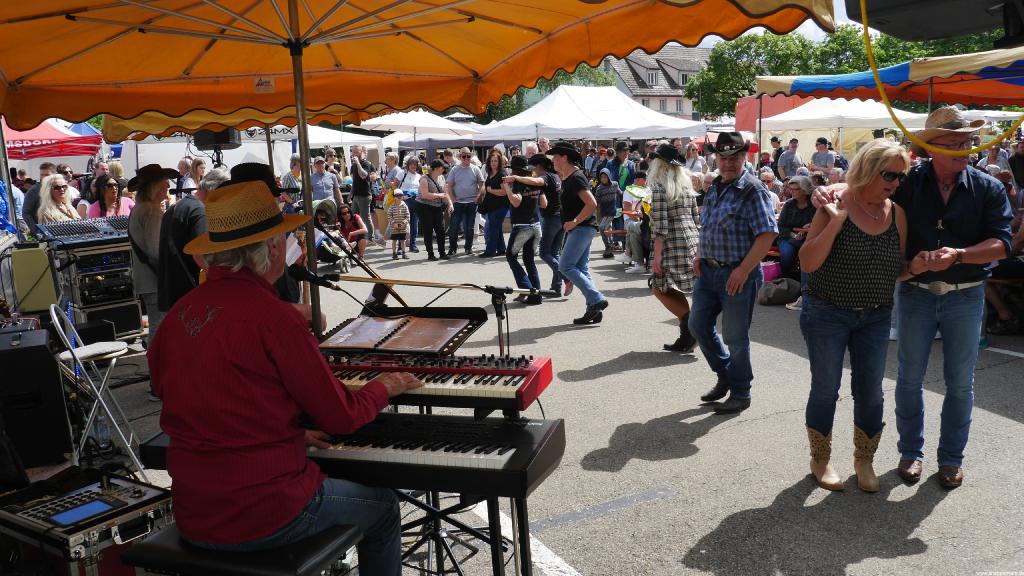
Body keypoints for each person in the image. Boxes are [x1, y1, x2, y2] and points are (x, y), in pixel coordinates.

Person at [148, 179, 420, 574]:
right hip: (266, 513)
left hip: (193, 510)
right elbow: (340, 416)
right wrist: (384, 386)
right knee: (383, 510)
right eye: (285, 238)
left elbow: (184, 394)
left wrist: (284, 430)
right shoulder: (275, 318)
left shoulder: (178, 316)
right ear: (271, 248)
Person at [814, 107, 1013, 489]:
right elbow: (866, 187)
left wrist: (960, 255)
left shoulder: (987, 187)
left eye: (968, 142)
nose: (965, 149)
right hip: (916, 292)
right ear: (930, 147)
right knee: (908, 379)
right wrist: (832, 188)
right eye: (954, 143)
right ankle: (911, 453)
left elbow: (1003, 244)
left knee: (960, 383)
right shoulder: (908, 181)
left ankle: (951, 459)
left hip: (966, 294)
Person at [797, 139, 911, 492]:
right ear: (867, 169)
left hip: (875, 316)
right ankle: (821, 459)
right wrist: (835, 223)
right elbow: (807, 262)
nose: (894, 182)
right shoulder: (835, 201)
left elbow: (895, 268)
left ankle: (864, 460)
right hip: (827, 311)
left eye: (900, 175)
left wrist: (916, 267)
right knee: (825, 389)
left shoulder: (898, 214)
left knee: (871, 392)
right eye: (888, 174)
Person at [689, 132, 778, 414]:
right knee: (697, 325)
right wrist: (700, 252)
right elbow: (709, 224)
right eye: (724, 157)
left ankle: (741, 391)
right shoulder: (715, 185)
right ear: (716, 158)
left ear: (744, 157)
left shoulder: (753, 189)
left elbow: (766, 235)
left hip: (739, 273)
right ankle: (726, 373)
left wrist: (742, 270)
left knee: (734, 336)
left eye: (735, 157)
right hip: (710, 270)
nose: (728, 163)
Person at [647, 144, 700, 353]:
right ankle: (688, 333)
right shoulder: (686, 186)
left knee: (659, 287)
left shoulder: (660, 187)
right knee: (669, 287)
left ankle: (690, 329)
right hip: (691, 240)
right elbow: (697, 218)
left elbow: (660, 226)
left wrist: (657, 256)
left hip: (671, 242)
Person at [550, 141, 607, 324]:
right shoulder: (568, 178)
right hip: (582, 228)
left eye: (555, 156)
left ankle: (596, 298)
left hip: (582, 228)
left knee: (565, 266)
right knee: (581, 269)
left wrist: (574, 221)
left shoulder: (576, 178)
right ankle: (593, 309)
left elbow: (592, 204)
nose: (553, 160)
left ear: (564, 157)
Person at [158, 167, 222, 315]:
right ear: (215, 191)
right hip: (190, 294)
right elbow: (200, 254)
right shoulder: (199, 211)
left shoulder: (178, 207)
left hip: (171, 292)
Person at [127, 164, 178, 344]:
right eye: (164, 183)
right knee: (160, 326)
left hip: (147, 279)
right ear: (154, 187)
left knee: (158, 325)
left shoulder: (140, 208)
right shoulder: (150, 210)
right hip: (156, 280)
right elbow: (157, 250)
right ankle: (157, 366)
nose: (167, 187)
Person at [502, 155, 547, 306]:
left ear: (514, 171)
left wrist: (507, 188)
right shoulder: (534, 182)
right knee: (529, 261)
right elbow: (544, 203)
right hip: (536, 226)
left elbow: (516, 201)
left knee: (511, 256)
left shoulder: (517, 183)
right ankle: (536, 296)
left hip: (522, 226)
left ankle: (527, 289)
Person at [445, 147, 485, 255]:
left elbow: (482, 184)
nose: (466, 158)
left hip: (472, 202)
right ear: (460, 157)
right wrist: (453, 200)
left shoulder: (475, 168)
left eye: (468, 156)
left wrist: (478, 196)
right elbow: (449, 186)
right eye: (464, 156)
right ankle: (453, 248)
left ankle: (468, 247)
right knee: (454, 226)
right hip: (458, 202)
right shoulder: (454, 169)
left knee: (469, 227)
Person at [776, 176, 815, 276]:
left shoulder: (814, 205)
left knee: (808, 256)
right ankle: (786, 278)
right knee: (787, 253)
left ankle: (804, 286)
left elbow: (820, 222)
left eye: (795, 189)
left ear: (805, 190)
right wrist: (793, 234)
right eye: (790, 189)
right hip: (788, 237)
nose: (791, 192)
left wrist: (811, 225)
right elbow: (780, 227)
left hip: (808, 239)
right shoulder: (789, 205)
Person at [417, 160, 453, 261]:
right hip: (424, 206)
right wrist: (439, 195)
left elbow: (445, 193)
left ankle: (442, 253)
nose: (444, 169)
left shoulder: (441, 177)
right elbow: (425, 195)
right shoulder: (424, 179)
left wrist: (450, 204)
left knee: (441, 230)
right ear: (436, 168)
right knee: (428, 230)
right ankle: (430, 254)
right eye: (442, 167)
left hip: (437, 206)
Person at [479, 150, 510, 258]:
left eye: (496, 161)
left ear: (499, 162)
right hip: (491, 205)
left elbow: (504, 192)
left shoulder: (502, 173)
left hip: (501, 205)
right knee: (496, 227)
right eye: (492, 161)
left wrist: (491, 190)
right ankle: (501, 249)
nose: (493, 163)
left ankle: (490, 251)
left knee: (493, 227)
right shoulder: (490, 173)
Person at [394, 156, 422, 253]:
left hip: (416, 201)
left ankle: (412, 245)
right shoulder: (403, 173)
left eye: (415, 164)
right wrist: (399, 196)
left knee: (414, 223)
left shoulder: (419, 176)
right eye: (411, 164)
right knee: (402, 223)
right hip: (404, 200)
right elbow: (395, 185)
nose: (413, 166)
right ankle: (400, 247)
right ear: (408, 164)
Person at [349, 146, 376, 242]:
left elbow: (363, 175)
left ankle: (370, 237)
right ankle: (358, 236)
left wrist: (357, 163)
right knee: (353, 216)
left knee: (365, 217)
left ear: (361, 152)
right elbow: (354, 181)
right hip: (356, 195)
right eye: (353, 152)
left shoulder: (366, 163)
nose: (354, 154)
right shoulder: (353, 166)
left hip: (365, 195)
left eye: (356, 152)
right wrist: (350, 194)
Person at [594, 168, 621, 259]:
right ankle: (610, 245)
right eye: (601, 177)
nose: (603, 179)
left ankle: (608, 246)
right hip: (603, 212)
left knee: (602, 227)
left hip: (612, 211)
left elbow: (620, 193)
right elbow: (596, 203)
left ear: (608, 177)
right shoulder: (599, 188)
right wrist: (597, 217)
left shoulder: (615, 184)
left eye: (605, 177)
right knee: (606, 229)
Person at [23, 162, 56, 231]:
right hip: (43, 231)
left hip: (57, 229)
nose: (43, 177)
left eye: (47, 175)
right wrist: (37, 231)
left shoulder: (58, 189)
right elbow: (26, 213)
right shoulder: (34, 191)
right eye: (42, 175)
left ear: (54, 175)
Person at [388, 190, 410, 259]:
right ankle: (394, 253)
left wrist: (404, 223)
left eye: (400, 196)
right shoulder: (392, 206)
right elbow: (389, 216)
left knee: (403, 241)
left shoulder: (404, 206)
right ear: (394, 197)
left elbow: (408, 216)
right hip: (394, 227)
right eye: (397, 196)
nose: (399, 197)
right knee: (394, 240)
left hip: (403, 227)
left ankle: (404, 253)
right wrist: (393, 223)